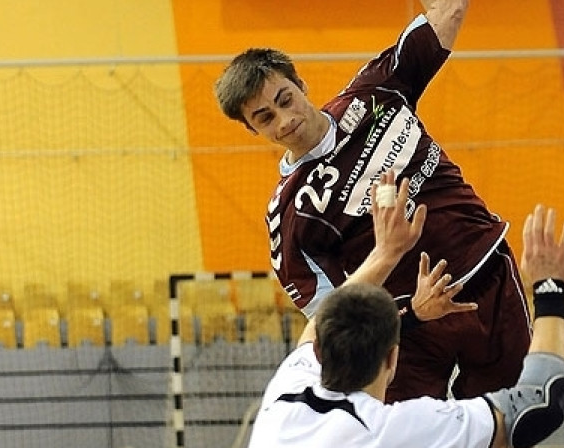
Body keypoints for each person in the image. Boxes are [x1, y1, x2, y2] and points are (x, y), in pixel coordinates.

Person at [214, 0, 531, 402]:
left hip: (486, 272)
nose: (284, 119)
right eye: (264, 117)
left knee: (512, 419)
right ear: (251, 129)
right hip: (407, 332)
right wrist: (412, 315)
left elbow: (447, 13)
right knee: (404, 438)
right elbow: (330, 320)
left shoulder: (375, 92)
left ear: (300, 84)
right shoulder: (290, 213)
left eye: (284, 99)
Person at [247, 174, 564, 448]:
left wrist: (387, 253)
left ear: (319, 350)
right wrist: (551, 289)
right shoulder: (392, 432)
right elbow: (541, 404)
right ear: (392, 360)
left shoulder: (284, 397)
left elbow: (320, 320)